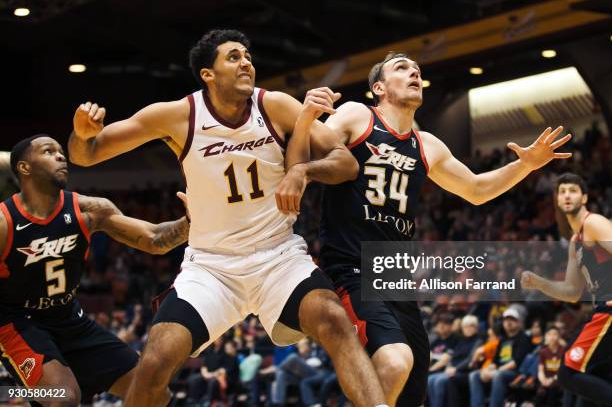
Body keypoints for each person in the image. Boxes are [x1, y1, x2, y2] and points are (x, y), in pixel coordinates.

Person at [68, 29, 387, 407]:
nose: (246, 62)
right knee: (155, 361)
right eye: (233, 57)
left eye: (248, 55)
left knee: (335, 321)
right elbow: (85, 155)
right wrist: (81, 134)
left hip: (278, 257)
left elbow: (346, 163)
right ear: (208, 74)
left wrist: (301, 172)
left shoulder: (275, 105)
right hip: (212, 267)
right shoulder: (177, 116)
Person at [283, 51, 571, 406]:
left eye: (417, 69)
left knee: (411, 392)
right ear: (379, 87)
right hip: (354, 268)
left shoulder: (427, 144)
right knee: (394, 360)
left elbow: (478, 190)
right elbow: (301, 154)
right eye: (402, 69)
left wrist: (526, 166)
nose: (414, 73)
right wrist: (306, 120)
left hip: (397, 278)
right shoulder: (359, 115)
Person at [0, 135, 189, 406]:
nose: (60, 156)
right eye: (48, 151)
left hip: (69, 317)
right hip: (17, 322)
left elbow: (153, 238)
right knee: (62, 397)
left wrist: (189, 222)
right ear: (24, 168)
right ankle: (12, 394)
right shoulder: (5, 222)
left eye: (60, 151)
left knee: (154, 392)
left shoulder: (90, 210)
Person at [521, 172, 612, 405]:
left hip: (609, 310)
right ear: (557, 201)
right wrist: (539, 282)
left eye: (573, 190)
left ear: (584, 198)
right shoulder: (575, 241)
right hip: (601, 308)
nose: (567, 195)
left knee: (568, 373)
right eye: (562, 192)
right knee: (592, 382)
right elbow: (571, 291)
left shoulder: (594, 223)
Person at [468, 308, 532, 407]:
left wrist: (496, 371)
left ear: (519, 322)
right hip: (499, 370)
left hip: (516, 372)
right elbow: (495, 360)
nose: (508, 322)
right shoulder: (502, 339)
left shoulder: (524, 338)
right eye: (506, 320)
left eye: (512, 319)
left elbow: (516, 362)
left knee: (498, 375)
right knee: (474, 375)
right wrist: (487, 370)